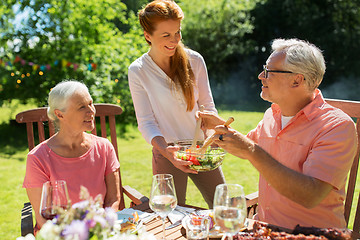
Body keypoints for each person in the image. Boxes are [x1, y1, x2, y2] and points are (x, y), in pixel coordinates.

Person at [199, 38, 357, 229]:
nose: (260, 76)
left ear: (297, 80)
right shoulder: (272, 114)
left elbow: (311, 195)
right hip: (265, 229)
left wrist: (250, 150)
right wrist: (223, 130)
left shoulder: (337, 127)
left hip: (312, 235)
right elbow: (247, 145)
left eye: (268, 71)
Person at [128, 0, 225, 208]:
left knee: (223, 207)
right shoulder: (138, 71)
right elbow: (146, 122)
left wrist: (210, 138)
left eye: (177, 33)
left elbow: (207, 106)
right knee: (169, 214)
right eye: (166, 35)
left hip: (201, 149)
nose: (174, 40)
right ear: (147, 36)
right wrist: (166, 152)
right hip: (167, 151)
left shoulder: (195, 60)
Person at [23, 80, 121, 231]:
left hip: (100, 231)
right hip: (59, 234)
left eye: (91, 103)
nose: (91, 111)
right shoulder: (38, 158)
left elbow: (113, 200)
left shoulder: (104, 147)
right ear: (59, 114)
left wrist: (100, 231)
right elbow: (43, 219)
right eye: (82, 107)